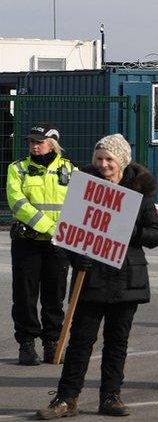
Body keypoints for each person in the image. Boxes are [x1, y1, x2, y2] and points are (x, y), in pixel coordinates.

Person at [37, 134, 158, 419]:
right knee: (80, 340)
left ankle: (111, 396)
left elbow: (156, 235)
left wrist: (129, 230)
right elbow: (68, 233)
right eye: (99, 159)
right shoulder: (83, 189)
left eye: (109, 159)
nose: (104, 164)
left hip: (127, 278)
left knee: (117, 341)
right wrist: (75, 256)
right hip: (90, 277)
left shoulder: (140, 194)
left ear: (122, 161)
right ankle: (67, 398)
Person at [6, 123, 74, 366]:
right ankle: (26, 345)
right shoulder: (18, 169)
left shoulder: (69, 169)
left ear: (52, 144)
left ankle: (52, 342)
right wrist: (50, 226)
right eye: (31, 142)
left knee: (54, 296)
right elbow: (17, 203)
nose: (34, 146)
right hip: (28, 242)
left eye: (39, 142)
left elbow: (80, 204)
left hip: (58, 245)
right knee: (25, 295)